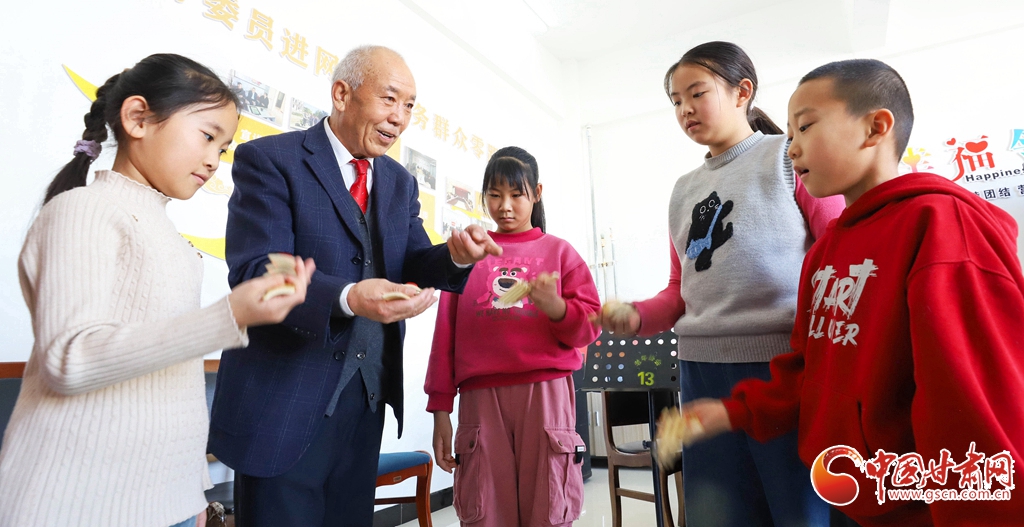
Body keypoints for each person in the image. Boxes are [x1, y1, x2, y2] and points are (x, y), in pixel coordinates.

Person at [684, 58, 1024, 527]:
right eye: (790, 132)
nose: (792, 147)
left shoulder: (940, 226)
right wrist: (738, 411)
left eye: (805, 127)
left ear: (875, 128)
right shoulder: (827, 250)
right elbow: (808, 366)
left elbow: (973, 401)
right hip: (851, 491)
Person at [0, 53, 313, 527]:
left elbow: (173, 384)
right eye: (207, 136)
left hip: (166, 503)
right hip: (74, 504)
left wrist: (191, 492)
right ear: (138, 118)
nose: (213, 161)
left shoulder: (168, 236)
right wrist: (230, 315)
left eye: (223, 148)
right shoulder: (84, 210)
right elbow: (70, 360)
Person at [208, 45, 501, 526]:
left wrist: (455, 257)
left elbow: (413, 260)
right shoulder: (271, 159)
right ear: (342, 94)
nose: (400, 117)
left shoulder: (399, 182)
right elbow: (259, 269)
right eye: (390, 99)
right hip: (282, 405)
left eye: (409, 106)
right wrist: (347, 298)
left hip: (365, 402)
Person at [591, 41, 845, 527]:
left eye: (697, 93)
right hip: (700, 372)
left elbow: (838, 254)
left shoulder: (788, 156)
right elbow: (679, 290)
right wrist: (636, 316)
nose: (685, 109)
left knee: (800, 510)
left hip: (781, 367)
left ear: (742, 92)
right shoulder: (682, 190)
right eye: (675, 100)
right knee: (718, 514)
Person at [426, 147, 601, 527]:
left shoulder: (560, 253)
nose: (505, 206)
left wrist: (557, 308)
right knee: (485, 509)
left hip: (545, 393)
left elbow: (590, 327)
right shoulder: (468, 255)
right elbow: (444, 339)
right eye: (494, 195)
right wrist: (440, 410)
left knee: (548, 507)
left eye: (516, 194)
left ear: (536, 193)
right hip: (480, 398)